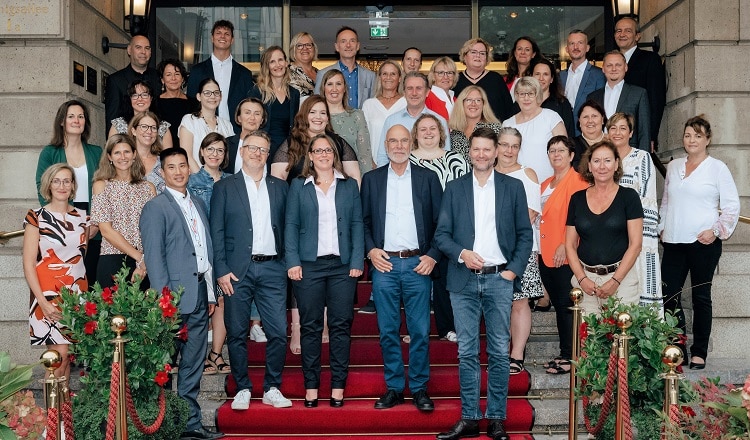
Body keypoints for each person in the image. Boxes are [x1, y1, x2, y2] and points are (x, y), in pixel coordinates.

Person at [434, 127, 533, 440]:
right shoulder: (454, 188)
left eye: (486, 149)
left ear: (496, 152)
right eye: (475, 149)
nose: (481, 154)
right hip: (462, 281)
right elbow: (441, 235)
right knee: (466, 352)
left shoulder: (513, 187)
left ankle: (496, 419)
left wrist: (512, 271)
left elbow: (525, 234)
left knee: (499, 352)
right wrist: (462, 253)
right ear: (470, 152)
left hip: (499, 280)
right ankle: (469, 418)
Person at [139, 147, 224, 440]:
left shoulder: (198, 203)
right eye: (171, 167)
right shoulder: (155, 207)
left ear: (189, 168)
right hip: (172, 298)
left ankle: (190, 424)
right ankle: (159, 425)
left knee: (193, 363)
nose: (178, 172)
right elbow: (154, 258)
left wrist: (210, 293)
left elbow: (205, 251)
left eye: (182, 166)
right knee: (164, 364)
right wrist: (164, 300)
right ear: (162, 172)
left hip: (199, 291)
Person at [210, 131, 293, 410]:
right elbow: (216, 231)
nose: (257, 153)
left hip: (273, 269)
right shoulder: (224, 187)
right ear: (242, 151)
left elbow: (289, 228)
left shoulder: (280, 187)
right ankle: (242, 388)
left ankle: (272, 387)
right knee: (236, 332)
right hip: (236, 272)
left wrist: (286, 263)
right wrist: (221, 270)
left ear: (268, 155)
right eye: (252, 148)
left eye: (263, 149)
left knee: (278, 332)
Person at [362, 124, 441, 413]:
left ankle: (419, 388)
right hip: (385, 264)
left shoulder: (427, 178)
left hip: (418, 264)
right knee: (387, 330)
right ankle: (394, 387)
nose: (398, 146)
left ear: (411, 143)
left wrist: (432, 256)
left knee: (420, 330)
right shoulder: (371, 180)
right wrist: (371, 250)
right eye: (393, 141)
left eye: (403, 141)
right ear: (386, 145)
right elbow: (363, 222)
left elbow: (441, 223)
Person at [285, 133, 364, 408]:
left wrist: (357, 261)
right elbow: (291, 225)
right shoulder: (299, 186)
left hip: (342, 266)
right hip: (309, 266)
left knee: (341, 325)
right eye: (317, 150)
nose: (323, 154)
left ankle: (338, 386)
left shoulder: (349, 185)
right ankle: (311, 386)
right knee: (311, 326)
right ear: (310, 156)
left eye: (328, 150)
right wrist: (292, 261)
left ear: (334, 155)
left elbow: (357, 224)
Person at [659, 115, 739, 370]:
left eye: (697, 135)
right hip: (673, 240)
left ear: (707, 140)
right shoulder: (674, 167)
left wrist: (715, 231)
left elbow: (731, 206)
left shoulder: (717, 168)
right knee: (669, 295)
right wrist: (662, 227)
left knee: (700, 297)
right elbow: (666, 201)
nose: (691, 140)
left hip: (703, 242)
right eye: (687, 135)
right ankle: (677, 347)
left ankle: (699, 352)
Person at [25, 164, 88, 384]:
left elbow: (81, 258)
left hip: (76, 295)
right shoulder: (36, 217)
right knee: (57, 359)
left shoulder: (83, 217)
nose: (62, 186)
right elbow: (29, 264)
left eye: (67, 181)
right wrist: (42, 302)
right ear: (49, 185)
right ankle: (50, 407)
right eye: (56, 181)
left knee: (67, 359)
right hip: (47, 295)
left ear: (73, 186)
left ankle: (63, 407)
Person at [409, 114, 470, 343]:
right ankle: (417, 330)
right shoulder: (407, 160)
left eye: (432, 128)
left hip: (452, 229)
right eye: (423, 129)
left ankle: (448, 327)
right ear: (415, 134)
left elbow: (467, 193)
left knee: (446, 278)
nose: (428, 133)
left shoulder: (456, 159)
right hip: (418, 230)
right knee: (417, 283)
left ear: (441, 133)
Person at [565, 141, 643, 315]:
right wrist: (582, 279)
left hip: (622, 280)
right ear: (589, 166)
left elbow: (636, 244)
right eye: (596, 161)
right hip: (586, 282)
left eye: (607, 160)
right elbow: (569, 245)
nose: (602, 166)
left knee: (621, 332)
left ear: (616, 164)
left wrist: (615, 281)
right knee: (587, 332)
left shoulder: (629, 197)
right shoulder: (577, 199)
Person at [538, 136, 589, 375]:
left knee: (568, 306)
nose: (556, 154)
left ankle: (572, 357)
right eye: (552, 150)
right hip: (544, 253)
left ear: (571, 155)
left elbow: (580, 217)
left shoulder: (578, 181)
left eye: (561, 150)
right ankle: (565, 352)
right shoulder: (545, 183)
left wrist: (564, 244)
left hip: (565, 253)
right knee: (559, 306)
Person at [493, 127, 542, 376]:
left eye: (514, 146)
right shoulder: (485, 173)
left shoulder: (527, 174)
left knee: (519, 302)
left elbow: (529, 215)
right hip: (491, 250)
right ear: (496, 146)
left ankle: (517, 354)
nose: (509, 150)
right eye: (504, 144)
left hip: (521, 250)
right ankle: (499, 351)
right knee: (496, 303)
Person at [36, 100, 102, 282]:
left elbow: (105, 188)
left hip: (92, 220)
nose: (76, 120)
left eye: (81, 116)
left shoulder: (97, 152)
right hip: (61, 221)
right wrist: (60, 220)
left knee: (89, 281)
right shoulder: (49, 153)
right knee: (64, 280)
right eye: (71, 116)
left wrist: (96, 221)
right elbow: (42, 187)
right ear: (61, 121)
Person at [187, 133, 232, 375]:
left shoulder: (232, 181)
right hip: (200, 249)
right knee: (202, 302)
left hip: (225, 249)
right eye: (210, 149)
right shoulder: (191, 181)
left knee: (223, 300)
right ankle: (200, 355)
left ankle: (216, 353)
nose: (215, 154)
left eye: (220, 150)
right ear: (202, 152)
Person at [607, 113, 662, 309]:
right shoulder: (604, 157)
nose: (617, 132)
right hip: (610, 233)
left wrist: (636, 232)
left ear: (631, 133)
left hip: (638, 232)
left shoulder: (642, 158)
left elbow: (647, 197)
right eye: (613, 128)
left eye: (623, 128)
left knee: (642, 283)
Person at [90, 134, 155, 289]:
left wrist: (143, 264)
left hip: (145, 263)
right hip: (113, 259)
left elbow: (153, 230)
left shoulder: (148, 188)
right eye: (117, 153)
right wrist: (139, 258)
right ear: (109, 157)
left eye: (127, 152)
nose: (123, 157)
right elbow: (106, 231)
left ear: (134, 154)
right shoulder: (101, 186)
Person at [272, 95, 361, 183]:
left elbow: (354, 175)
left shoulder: (338, 143)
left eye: (323, 113)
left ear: (327, 119)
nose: (318, 117)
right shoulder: (292, 143)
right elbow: (278, 179)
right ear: (304, 116)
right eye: (312, 112)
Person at [186, 19, 254, 134]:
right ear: (212, 38)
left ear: (232, 40)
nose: (222, 36)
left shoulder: (244, 74)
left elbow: (249, 105)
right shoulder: (197, 71)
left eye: (227, 34)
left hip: (236, 132)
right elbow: (191, 103)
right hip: (204, 131)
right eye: (218, 33)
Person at [377, 72, 450, 166]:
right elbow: (383, 157)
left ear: (427, 92)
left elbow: (446, 156)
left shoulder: (439, 121)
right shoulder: (391, 121)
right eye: (410, 88)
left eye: (419, 88)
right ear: (404, 92)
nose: (414, 93)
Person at [615, 16, 666, 150]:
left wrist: (651, 136)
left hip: (638, 135)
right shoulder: (610, 63)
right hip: (612, 136)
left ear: (637, 36)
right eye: (619, 31)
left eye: (628, 31)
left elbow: (656, 100)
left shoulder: (650, 60)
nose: (622, 34)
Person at [502, 77, 566, 182]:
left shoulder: (551, 117)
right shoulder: (507, 124)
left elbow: (564, 152)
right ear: (516, 96)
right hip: (516, 184)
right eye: (522, 94)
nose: (526, 98)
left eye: (531, 94)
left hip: (549, 183)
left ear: (538, 95)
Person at [586, 51, 650, 152]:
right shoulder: (592, 97)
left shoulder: (639, 94)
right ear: (603, 68)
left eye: (618, 65)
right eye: (609, 65)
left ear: (626, 67)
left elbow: (644, 132)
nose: (614, 69)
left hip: (629, 153)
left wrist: (643, 157)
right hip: (600, 153)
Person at [248, 46, 301, 162]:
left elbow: (295, 125)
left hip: (288, 150)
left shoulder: (294, 94)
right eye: (272, 61)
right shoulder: (257, 92)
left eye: (280, 60)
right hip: (263, 150)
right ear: (267, 66)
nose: (277, 65)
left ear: (286, 63)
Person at [104, 35, 161, 136]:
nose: (143, 52)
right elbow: (112, 119)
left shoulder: (159, 77)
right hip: (127, 139)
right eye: (138, 47)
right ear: (129, 50)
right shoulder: (116, 80)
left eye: (147, 48)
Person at [320, 68, 373, 174]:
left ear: (344, 88)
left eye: (338, 84)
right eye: (330, 84)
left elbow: (364, 155)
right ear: (323, 88)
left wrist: (365, 180)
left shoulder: (356, 116)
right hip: (322, 177)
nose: (334, 89)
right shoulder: (316, 117)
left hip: (352, 177)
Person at [179, 78, 235, 173]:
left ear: (220, 96)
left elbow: (229, 157)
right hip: (196, 178)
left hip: (222, 179)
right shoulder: (189, 121)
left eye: (216, 93)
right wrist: (203, 179)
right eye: (207, 93)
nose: (212, 96)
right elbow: (187, 156)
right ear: (199, 97)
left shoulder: (226, 125)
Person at [314, 26, 376, 109]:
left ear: (358, 46)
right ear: (337, 47)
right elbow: (316, 105)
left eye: (352, 41)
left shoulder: (370, 76)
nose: (348, 45)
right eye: (343, 41)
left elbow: (373, 107)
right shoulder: (323, 74)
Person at [454, 37, 514, 121]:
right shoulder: (455, 80)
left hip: (493, 128)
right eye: (473, 52)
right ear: (464, 56)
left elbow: (509, 110)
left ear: (487, 58)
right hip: (463, 128)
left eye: (482, 53)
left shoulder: (496, 79)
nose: (478, 55)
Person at [559, 30, 606, 136]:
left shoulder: (598, 75)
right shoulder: (560, 76)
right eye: (572, 43)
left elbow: (601, 107)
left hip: (587, 134)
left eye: (580, 43)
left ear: (587, 48)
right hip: (563, 132)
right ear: (567, 49)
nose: (575, 47)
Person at [362, 60, 406, 169]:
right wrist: (371, 163)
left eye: (393, 74)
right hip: (374, 166)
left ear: (400, 78)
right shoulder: (369, 105)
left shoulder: (406, 103)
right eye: (385, 74)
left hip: (403, 165)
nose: (388, 77)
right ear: (380, 77)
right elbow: (363, 138)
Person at [108, 80, 173, 147]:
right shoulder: (118, 124)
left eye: (144, 95)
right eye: (135, 95)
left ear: (151, 98)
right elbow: (111, 150)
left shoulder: (163, 126)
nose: (140, 99)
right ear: (130, 99)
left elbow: (168, 153)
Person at [448, 85, 502, 162]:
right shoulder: (454, 134)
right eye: (469, 100)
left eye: (478, 100)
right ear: (461, 104)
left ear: (483, 104)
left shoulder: (495, 129)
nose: (473, 104)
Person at [531, 58, 575, 137]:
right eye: (537, 74)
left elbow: (570, 136)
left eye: (545, 74)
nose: (541, 78)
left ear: (551, 79)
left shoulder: (562, 104)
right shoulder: (522, 102)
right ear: (531, 77)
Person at [157, 58, 198, 141]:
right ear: (162, 80)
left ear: (182, 79)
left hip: (188, 146)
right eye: (168, 75)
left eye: (177, 74)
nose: (173, 78)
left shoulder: (194, 104)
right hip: (162, 147)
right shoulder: (154, 104)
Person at [226, 97, 267, 173]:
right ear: (239, 118)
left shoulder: (270, 146)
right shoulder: (226, 144)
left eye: (257, 114)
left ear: (262, 120)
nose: (252, 118)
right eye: (247, 113)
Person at [571, 100, 607, 169]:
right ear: (579, 121)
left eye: (594, 116)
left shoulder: (613, 142)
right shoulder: (570, 145)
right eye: (585, 117)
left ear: (602, 119)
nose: (590, 121)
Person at [425, 56, 458, 121]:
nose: (446, 77)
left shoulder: (456, 100)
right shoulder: (427, 100)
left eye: (449, 73)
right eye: (441, 73)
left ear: (454, 76)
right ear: (433, 76)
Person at [289, 32, 319, 98]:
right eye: (299, 45)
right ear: (293, 50)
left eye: (308, 45)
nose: (305, 48)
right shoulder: (286, 74)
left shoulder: (321, 74)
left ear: (314, 49)